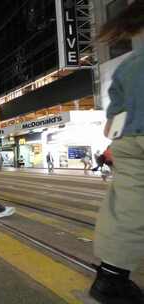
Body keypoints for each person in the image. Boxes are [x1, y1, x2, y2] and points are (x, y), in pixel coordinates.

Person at [91, 3, 144, 302]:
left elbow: (111, 124)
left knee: (127, 208)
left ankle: (110, 278)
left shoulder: (127, 65)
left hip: (128, 141)